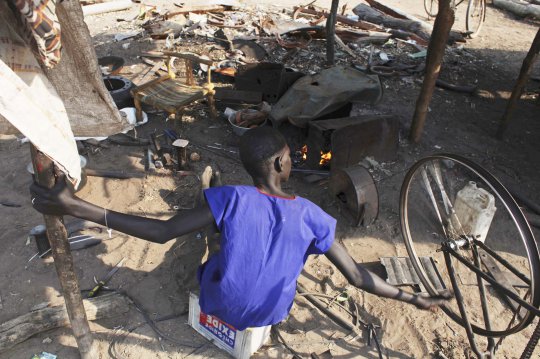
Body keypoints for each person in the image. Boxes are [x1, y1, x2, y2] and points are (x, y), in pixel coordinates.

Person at [30, 127, 450, 331]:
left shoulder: (231, 197)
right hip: (271, 314)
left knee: (208, 229)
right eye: (289, 155)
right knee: (268, 244)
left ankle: (212, 231)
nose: (292, 158)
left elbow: (159, 233)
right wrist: (414, 299)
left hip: (217, 304)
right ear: (281, 166)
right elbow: (358, 277)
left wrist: (73, 205)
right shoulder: (312, 216)